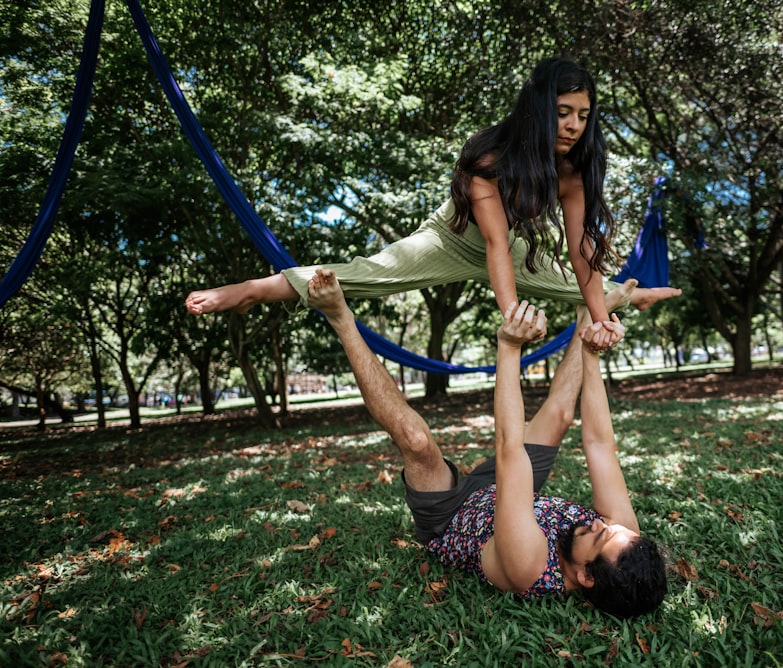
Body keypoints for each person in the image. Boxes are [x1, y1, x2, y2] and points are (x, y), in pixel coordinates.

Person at [185, 58, 680, 350]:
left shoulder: (572, 171)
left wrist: (601, 319)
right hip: (451, 238)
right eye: (563, 113)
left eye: (583, 115)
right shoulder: (489, 157)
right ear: (537, 110)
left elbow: (579, 253)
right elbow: (492, 245)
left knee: (578, 285)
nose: (574, 125)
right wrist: (511, 314)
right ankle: (249, 289)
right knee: (365, 273)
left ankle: (627, 297)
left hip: (506, 248)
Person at [307, 267, 671, 617]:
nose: (600, 523)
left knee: (416, 441)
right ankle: (587, 319)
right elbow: (599, 445)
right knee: (560, 416)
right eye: (609, 527)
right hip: (508, 493)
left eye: (598, 536)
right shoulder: (624, 540)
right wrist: (591, 355)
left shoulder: (529, 565)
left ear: (586, 577)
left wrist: (509, 346)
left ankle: (339, 316)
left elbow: (509, 447)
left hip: (452, 516)